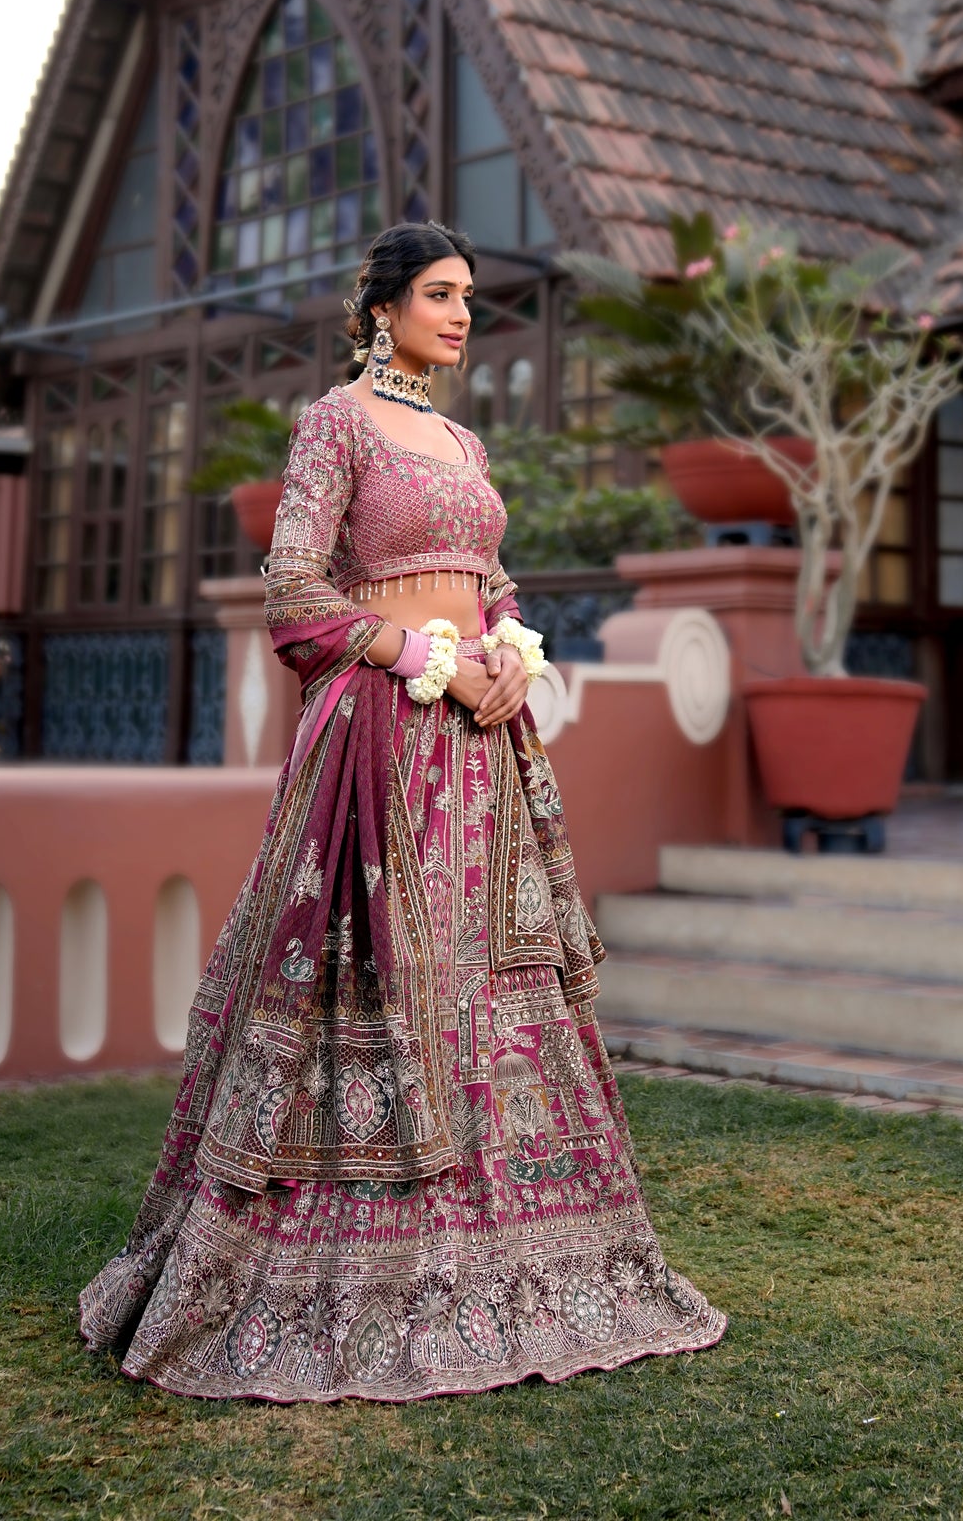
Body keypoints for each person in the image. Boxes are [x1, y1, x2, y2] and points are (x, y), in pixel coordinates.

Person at [79, 220, 724, 1402]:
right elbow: (292, 591)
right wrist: (416, 650)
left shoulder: (461, 437)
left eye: (468, 294)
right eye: (439, 293)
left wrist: (511, 652)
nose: (461, 313)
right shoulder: (334, 423)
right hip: (380, 744)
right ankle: (344, 1261)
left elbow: (493, 580)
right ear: (381, 306)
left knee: (491, 986)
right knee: (385, 983)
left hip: (482, 745)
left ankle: (521, 1245)